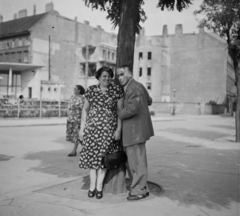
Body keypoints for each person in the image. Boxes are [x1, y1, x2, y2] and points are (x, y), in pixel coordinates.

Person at [79, 66, 124, 199]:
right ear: (98, 77)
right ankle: (92, 186)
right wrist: (82, 129)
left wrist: (118, 130)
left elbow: (119, 112)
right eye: (104, 76)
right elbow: (85, 110)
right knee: (92, 160)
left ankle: (99, 187)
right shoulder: (91, 90)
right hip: (92, 130)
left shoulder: (116, 90)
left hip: (108, 131)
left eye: (109, 76)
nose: (107, 78)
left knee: (104, 161)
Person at [117, 65, 154, 201]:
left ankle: (139, 191)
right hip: (137, 131)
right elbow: (149, 101)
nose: (120, 78)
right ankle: (143, 188)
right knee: (137, 162)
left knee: (136, 163)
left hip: (134, 132)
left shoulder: (133, 88)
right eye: (118, 75)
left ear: (130, 74)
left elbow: (131, 109)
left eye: (122, 74)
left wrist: (118, 111)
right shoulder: (139, 86)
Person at [66, 85, 85, 157]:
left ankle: (74, 150)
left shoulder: (83, 98)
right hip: (71, 119)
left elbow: (84, 109)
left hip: (78, 119)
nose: (74, 90)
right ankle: (85, 149)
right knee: (75, 136)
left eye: (75, 89)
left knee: (77, 135)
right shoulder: (72, 97)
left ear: (79, 90)